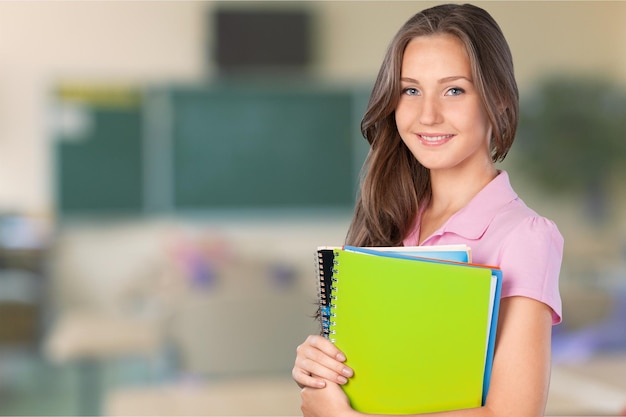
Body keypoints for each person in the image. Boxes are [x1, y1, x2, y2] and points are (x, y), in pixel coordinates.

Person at [292, 3, 564, 417]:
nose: (428, 115)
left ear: (500, 101)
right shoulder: (390, 217)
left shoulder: (525, 237)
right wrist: (320, 369)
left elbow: (511, 414)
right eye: (410, 90)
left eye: (454, 90)